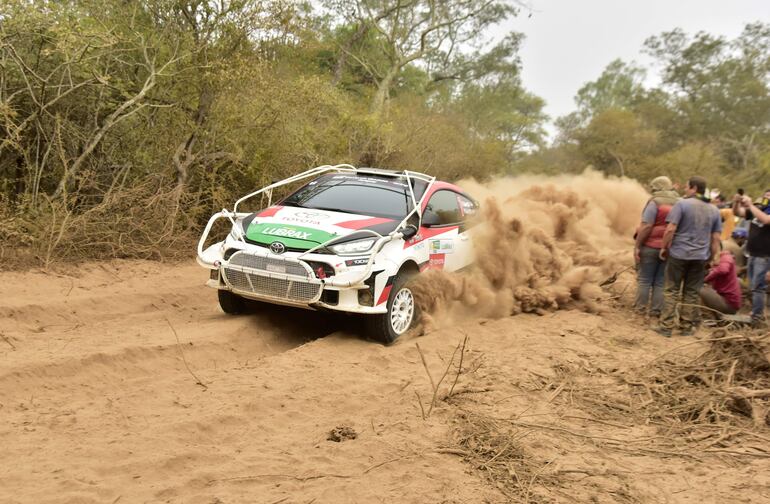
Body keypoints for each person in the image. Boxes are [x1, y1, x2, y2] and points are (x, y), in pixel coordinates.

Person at [657, 176, 722, 336]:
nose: (685, 190)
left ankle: (666, 326)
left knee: (671, 289)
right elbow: (715, 238)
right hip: (700, 256)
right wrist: (712, 257)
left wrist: (664, 247)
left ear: (693, 188)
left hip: (679, 253)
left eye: (687, 187)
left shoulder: (682, 204)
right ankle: (686, 327)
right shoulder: (714, 210)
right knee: (691, 292)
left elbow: (670, 229)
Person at [633, 176, 680, 317]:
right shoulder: (680, 202)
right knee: (660, 281)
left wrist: (637, 245)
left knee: (645, 279)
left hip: (650, 246)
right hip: (669, 247)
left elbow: (647, 225)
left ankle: (640, 310)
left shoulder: (655, 202)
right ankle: (656, 311)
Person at [732, 189, 770, 326]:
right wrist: (737, 202)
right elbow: (737, 213)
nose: (766, 197)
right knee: (752, 286)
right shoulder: (759, 208)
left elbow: (766, 220)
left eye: (769, 195)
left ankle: (757, 317)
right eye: (765, 194)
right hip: (752, 254)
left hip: (765, 256)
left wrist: (750, 205)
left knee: (759, 287)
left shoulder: (760, 211)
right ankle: (755, 312)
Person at [699, 246, 741, 315]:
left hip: (729, 304)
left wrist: (706, 279)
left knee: (698, 288)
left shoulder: (726, 257)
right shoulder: (720, 261)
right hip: (726, 301)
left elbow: (723, 270)